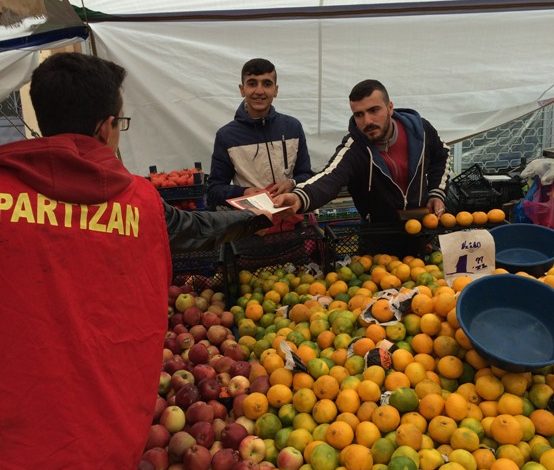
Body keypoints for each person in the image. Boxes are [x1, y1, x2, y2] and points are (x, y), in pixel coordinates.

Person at [0, 52, 271, 468]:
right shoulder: (141, 203)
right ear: (105, 126)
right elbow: (199, 230)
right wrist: (259, 215)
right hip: (108, 434)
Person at [274, 79, 451, 253]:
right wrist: (298, 198)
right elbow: (330, 177)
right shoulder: (355, 147)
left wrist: (437, 192)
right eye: (359, 114)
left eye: (374, 110)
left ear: (390, 108)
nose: (367, 121)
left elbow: (442, 155)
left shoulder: (420, 131)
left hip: (423, 230)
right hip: (378, 239)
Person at [206, 57, 313, 209]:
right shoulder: (227, 136)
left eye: (267, 84)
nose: (259, 91)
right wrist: (244, 192)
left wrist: (292, 183)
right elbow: (214, 190)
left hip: (292, 219)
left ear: (275, 90)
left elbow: (307, 175)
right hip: (251, 225)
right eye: (252, 83)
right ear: (242, 89)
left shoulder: (292, 127)